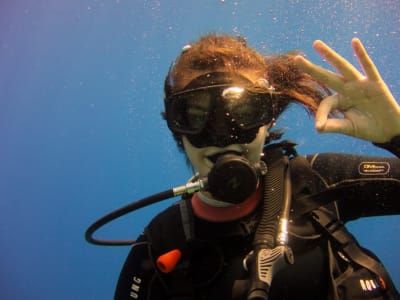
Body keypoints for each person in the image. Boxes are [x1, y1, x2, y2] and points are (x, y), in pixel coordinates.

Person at [114, 34, 400, 300]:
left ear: (268, 119)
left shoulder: (317, 181)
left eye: (243, 112)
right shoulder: (162, 242)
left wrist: (396, 136)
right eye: (195, 116)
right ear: (178, 130)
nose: (221, 135)